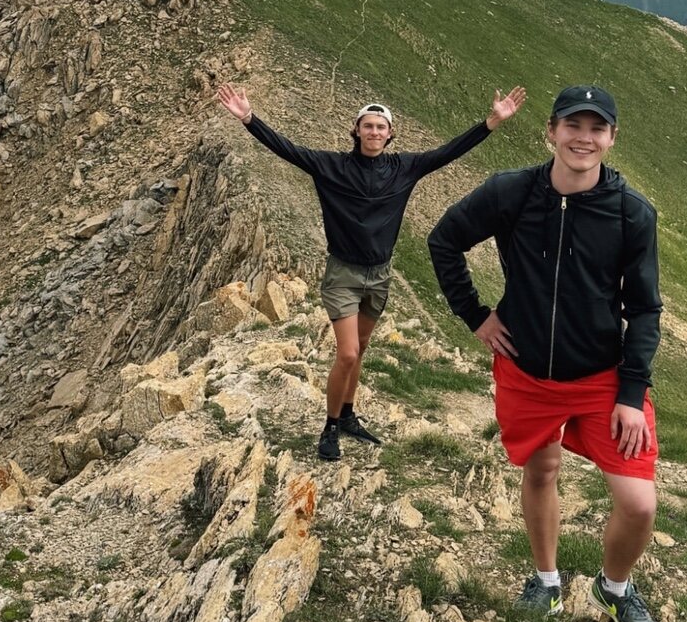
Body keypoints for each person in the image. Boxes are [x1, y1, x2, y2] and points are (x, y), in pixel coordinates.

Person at [427, 85, 664, 622]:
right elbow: (444, 241)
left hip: (603, 378)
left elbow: (646, 309)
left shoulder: (631, 214)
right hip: (527, 372)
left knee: (639, 503)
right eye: (573, 126)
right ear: (551, 132)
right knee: (542, 471)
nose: (584, 138)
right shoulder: (511, 192)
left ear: (611, 138)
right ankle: (546, 580)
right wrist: (476, 316)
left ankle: (615, 587)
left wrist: (631, 396)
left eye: (596, 128)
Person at [216, 82, 526, 462]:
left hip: (380, 275)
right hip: (343, 274)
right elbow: (287, 150)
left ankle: (347, 415)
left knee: (360, 350)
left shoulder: (404, 168)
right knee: (346, 353)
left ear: (390, 133)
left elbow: (448, 153)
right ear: (356, 130)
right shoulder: (332, 166)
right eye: (368, 125)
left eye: (381, 127)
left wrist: (490, 123)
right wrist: (249, 119)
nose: (374, 132)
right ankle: (330, 427)